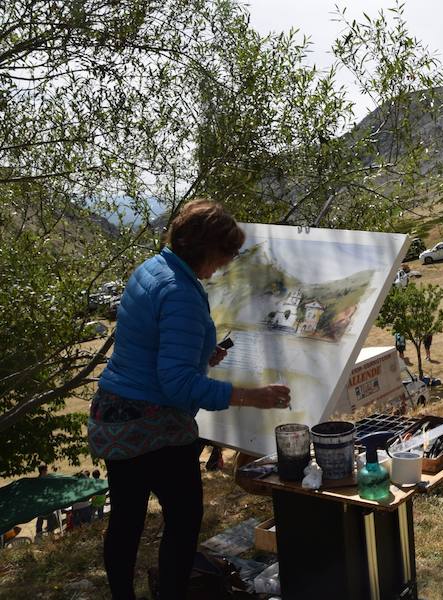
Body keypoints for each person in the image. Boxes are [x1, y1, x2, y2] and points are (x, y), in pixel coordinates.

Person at [88, 199, 291, 600]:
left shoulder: (152, 268)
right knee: (183, 520)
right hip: (151, 426)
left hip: (114, 415)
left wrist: (201, 353)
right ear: (204, 248)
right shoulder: (180, 292)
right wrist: (253, 396)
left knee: (126, 522)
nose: (224, 266)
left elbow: (152, 346)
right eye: (223, 255)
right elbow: (178, 385)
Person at [35, 465, 60, 537]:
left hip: (46, 502)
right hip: (43, 503)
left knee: (44, 518)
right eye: (46, 470)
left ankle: (47, 533)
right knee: (45, 517)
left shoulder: (45, 479)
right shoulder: (39, 481)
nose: (47, 472)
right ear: (43, 471)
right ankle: (43, 534)